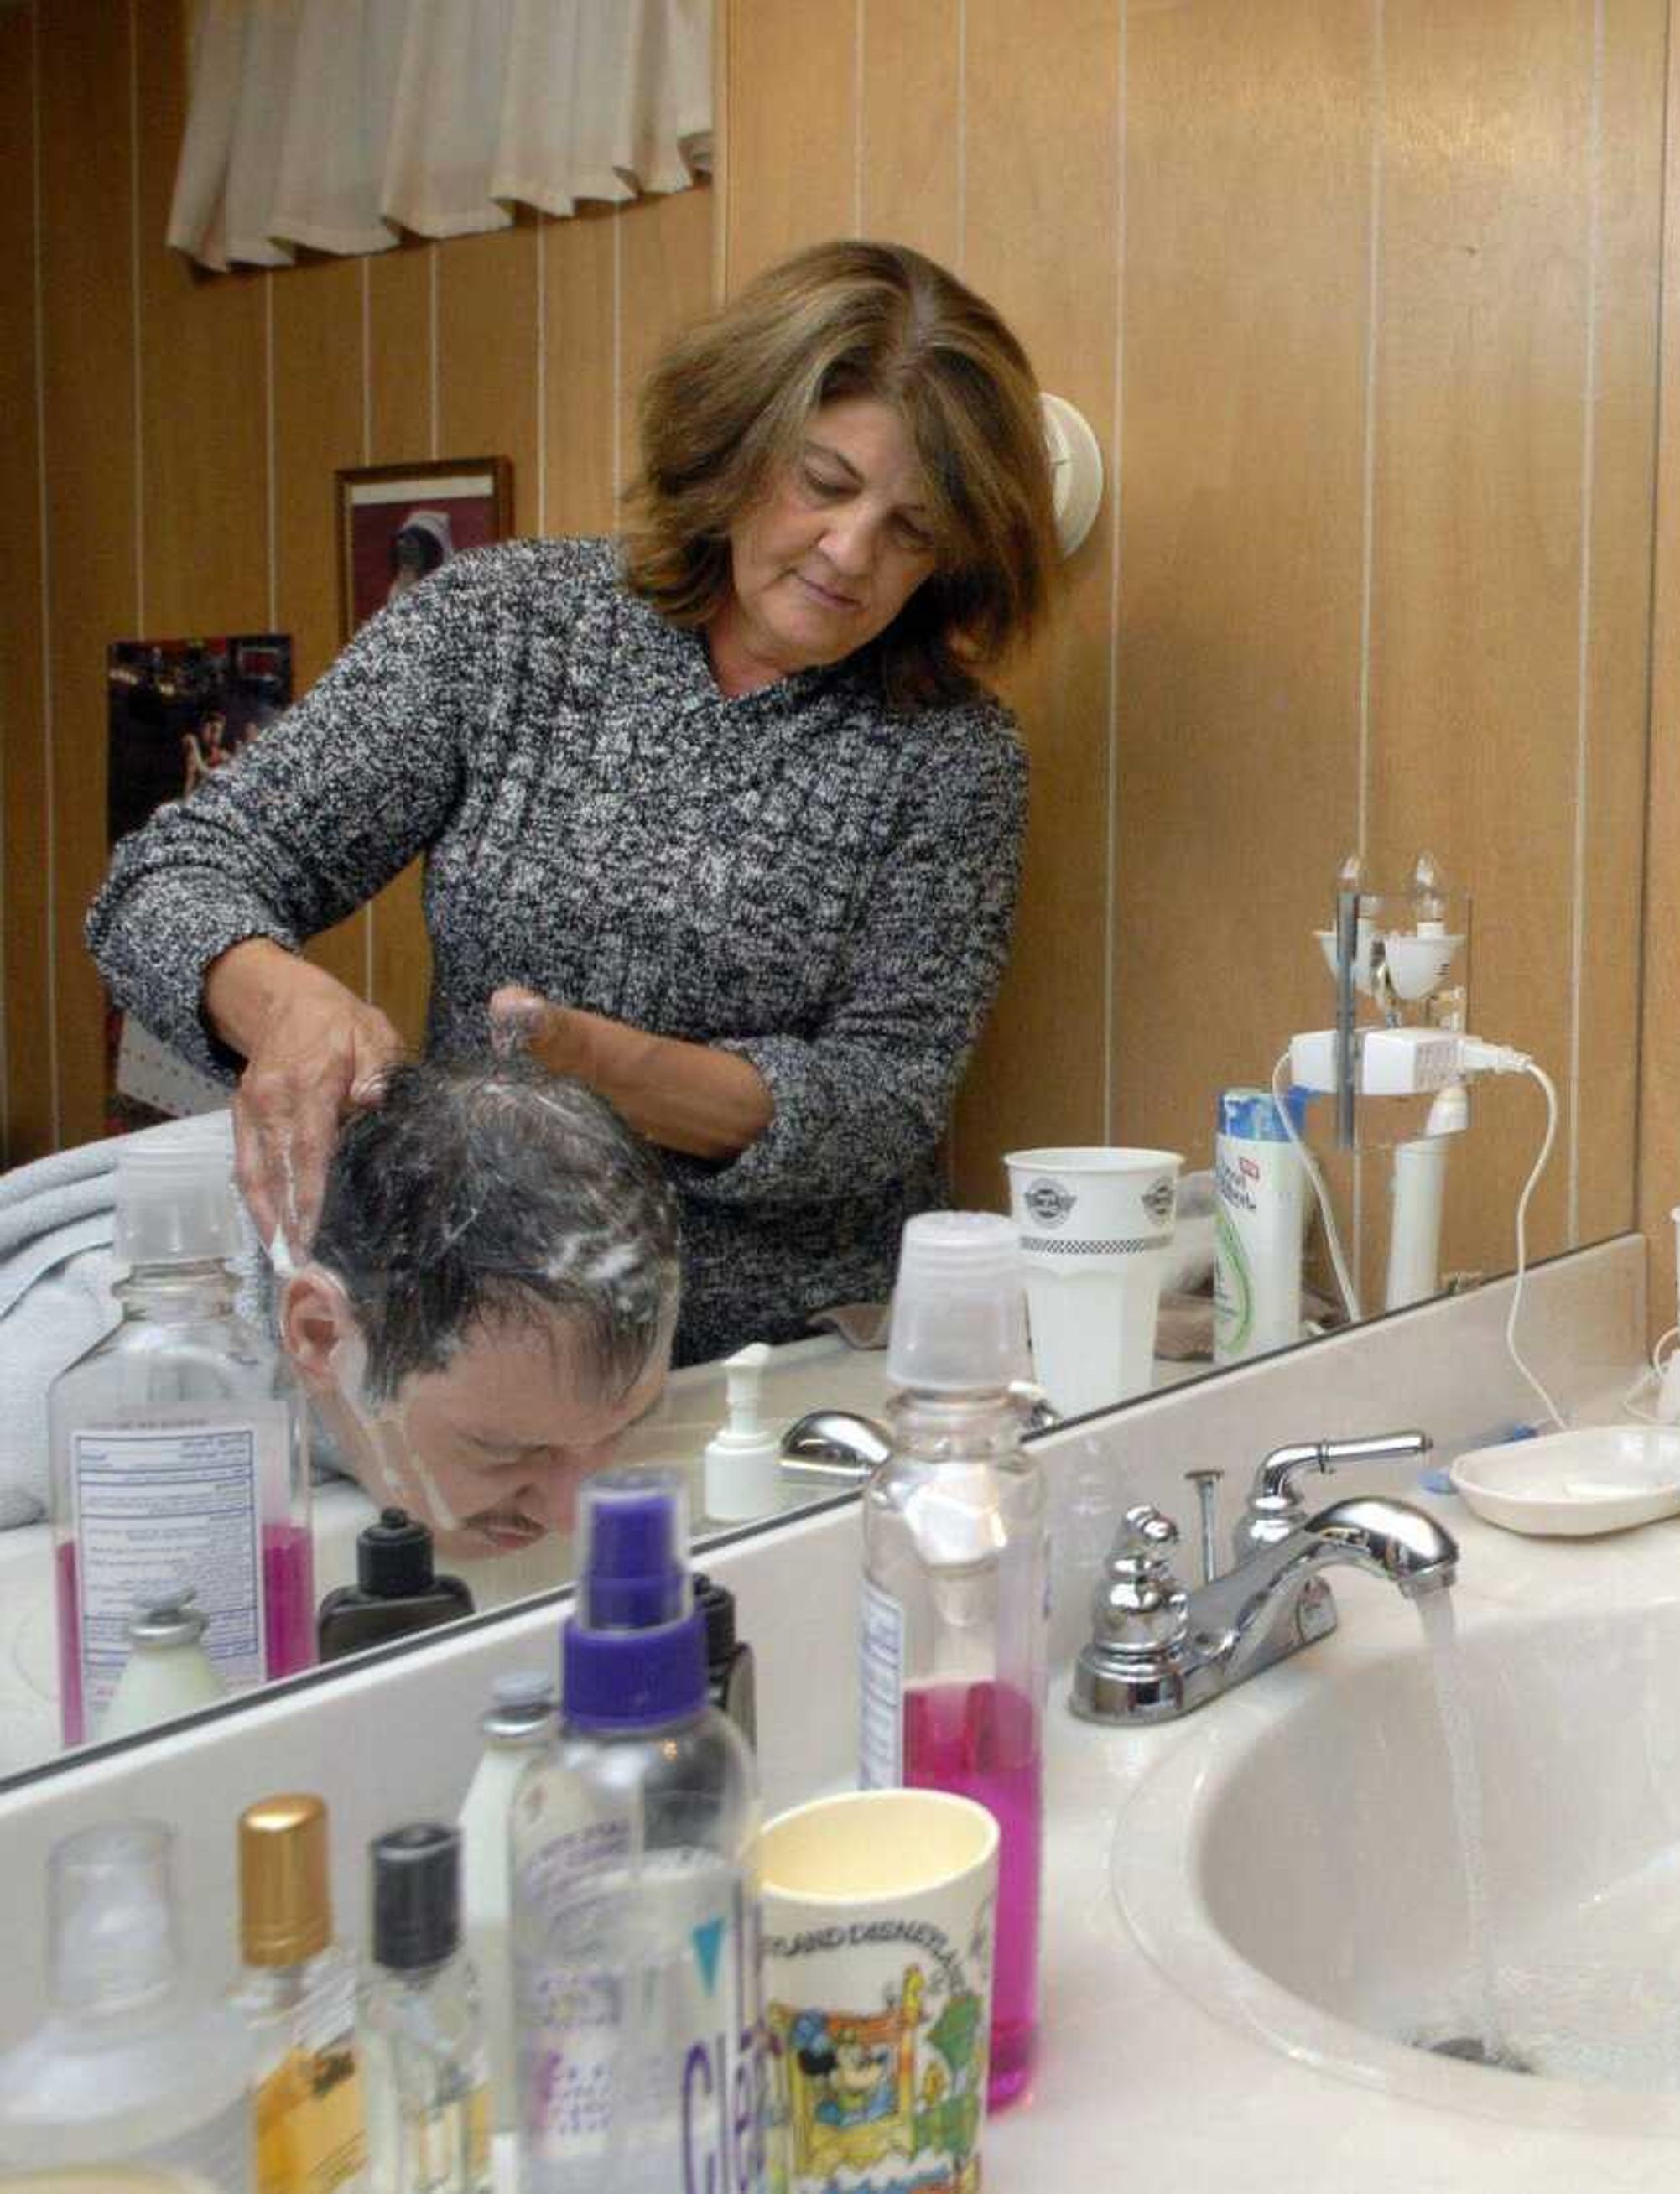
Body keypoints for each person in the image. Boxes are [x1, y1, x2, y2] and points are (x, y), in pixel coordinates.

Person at [88, 240, 1062, 1362]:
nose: (851, 552)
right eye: (825, 484)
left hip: (770, 1359)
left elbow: (886, 1098)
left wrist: (607, 1072)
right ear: (736, 446)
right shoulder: (509, 626)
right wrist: (285, 1010)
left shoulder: (951, 755)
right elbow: (167, 878)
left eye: (914, 528)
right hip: (467, 1330)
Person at [281, 1056, 679, 1556]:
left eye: (627, 1426)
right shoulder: (188, 1399)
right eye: (507, 1453)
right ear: (321, 1336)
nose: (572, 1517)